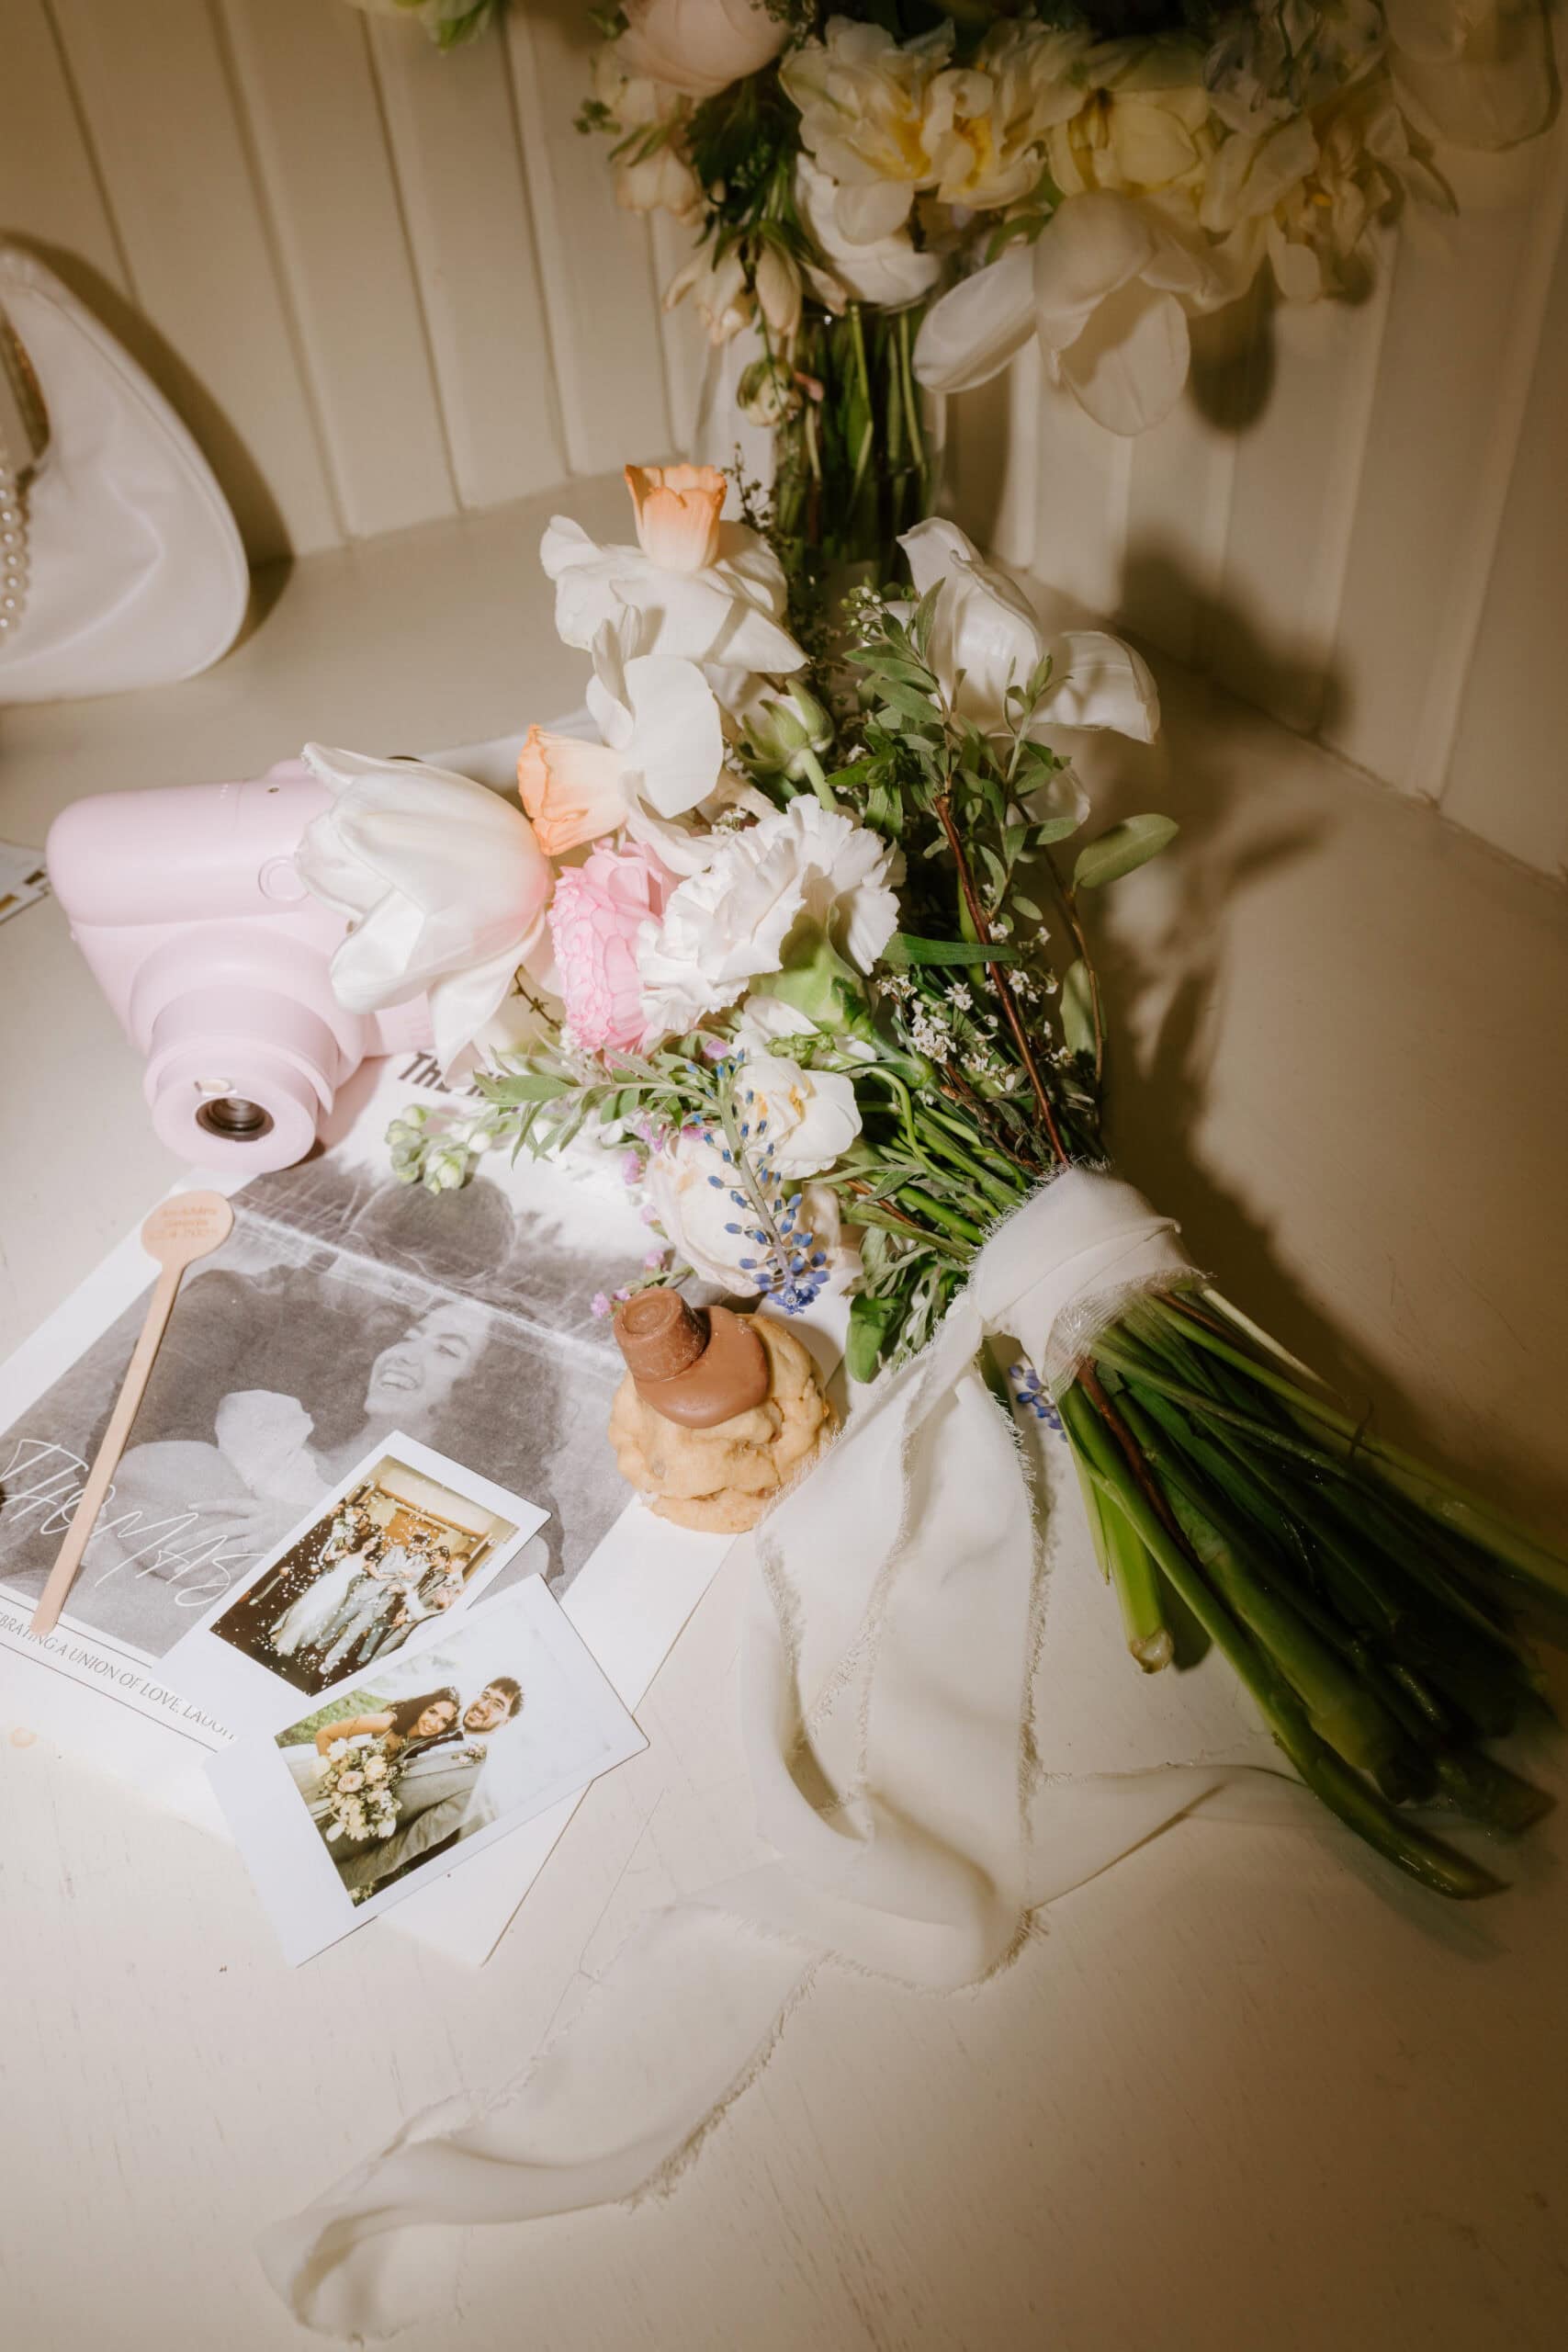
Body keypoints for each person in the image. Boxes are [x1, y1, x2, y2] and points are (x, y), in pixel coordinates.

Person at [332, 1677, 524, 1901]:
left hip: (348, 1845)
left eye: (497, 1705)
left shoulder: (478, 1782)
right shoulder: (442, 1724)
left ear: (507, 1721)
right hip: (332, 1802)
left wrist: (344, 1878)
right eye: (485, 1695)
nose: (483, 1706)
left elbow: (409, 1844)